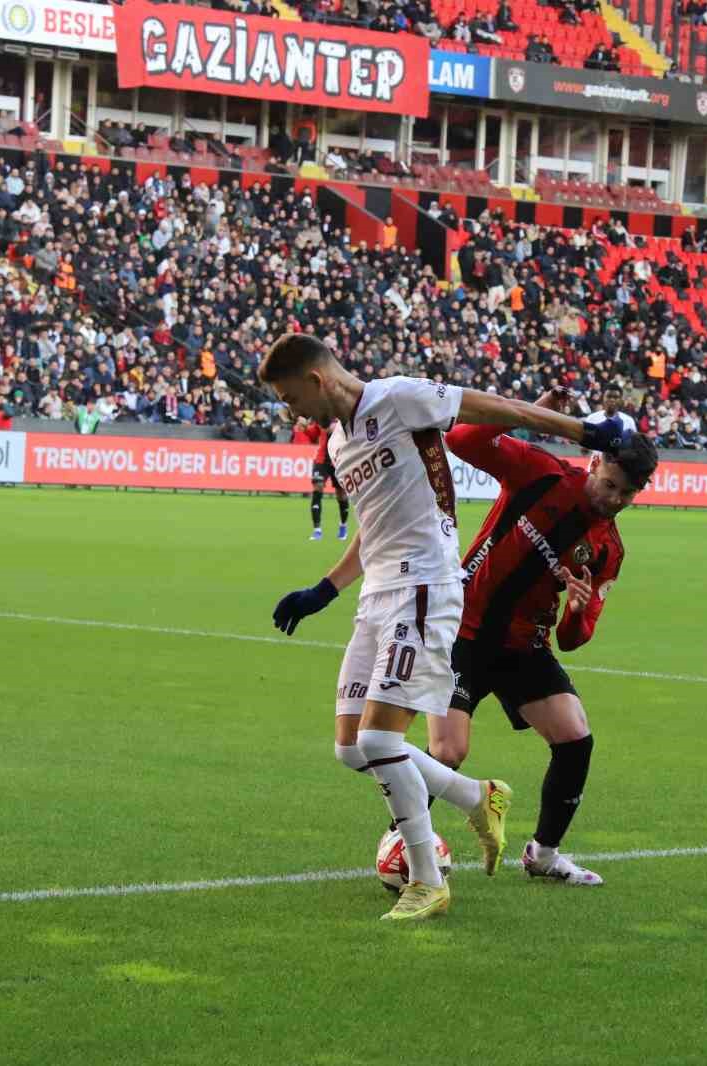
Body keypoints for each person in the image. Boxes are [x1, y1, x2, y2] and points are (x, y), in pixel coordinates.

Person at [259, 334, 630, 920]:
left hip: (427, 586)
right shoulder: (337, 442)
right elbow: (374, 527)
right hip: (377, 596)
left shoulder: (398, 398)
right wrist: (325, 589)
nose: (290, 412)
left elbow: (496, 409)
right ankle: (477, 797)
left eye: (289, 398)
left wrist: (582, 431)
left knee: (382, 741)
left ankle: (428, 882)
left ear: (318, 380)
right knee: (352, 749)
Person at [432, 388, 658, 885]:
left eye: (628, 494)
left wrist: (576, 612)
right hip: (464, 630)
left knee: (575, 736)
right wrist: (534, 410)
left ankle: (544, 855)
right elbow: (464, 440)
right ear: (595, 462)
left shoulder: (607, 549)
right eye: (611, 485)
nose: (615, 500)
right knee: (449, 752)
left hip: (524, 646)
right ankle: (404, 838)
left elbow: (577, 637)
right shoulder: (541, 472)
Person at [308, 424, 350, 541]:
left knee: (341, 494)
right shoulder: (321, 418)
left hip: (337, 460)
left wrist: (336, 430)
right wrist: (305, 428)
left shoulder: (341, 418)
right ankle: (317, 530)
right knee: (318, 487)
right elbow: (312, 435)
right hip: (321, 460)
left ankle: (343, 525)